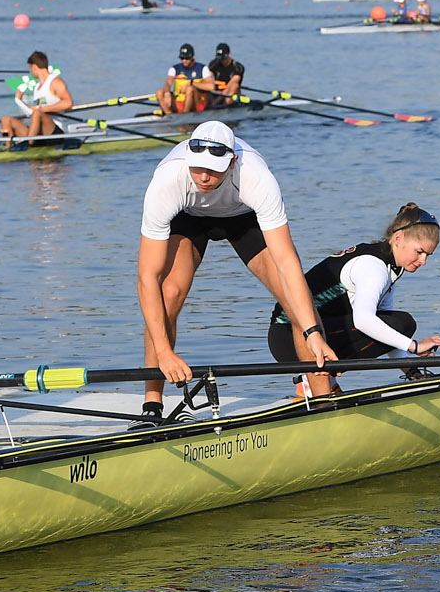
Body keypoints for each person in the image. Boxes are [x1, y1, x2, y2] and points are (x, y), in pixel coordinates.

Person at [136, 121, 336, 423]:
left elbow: (287, 263)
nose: (204, 177)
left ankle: (323, 400)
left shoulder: (256, 176)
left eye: (214, 169)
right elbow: (146, 277)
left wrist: (314, 333)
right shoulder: (167, 180)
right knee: (169, 294)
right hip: (188, 218)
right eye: (198, 168)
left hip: (242, 218)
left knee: (295, 299)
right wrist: (164, 352)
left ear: (233, 162)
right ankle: (152, 405)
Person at [268, 205, 440, 382]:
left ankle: (322, 383)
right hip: (289, 337)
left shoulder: (390, 268)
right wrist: (414, 347)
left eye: (428, 255)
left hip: (314, 332)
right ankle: (310, 382)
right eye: (419, 252)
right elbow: (364, 321)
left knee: (398, 324)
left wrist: (412, 371)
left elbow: (385, 331)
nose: (423, 261)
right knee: (404, 323)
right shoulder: (373, 267)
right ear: (399, 238)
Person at [1, 50, 71, 141]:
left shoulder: (55, 82)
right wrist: (19, 100)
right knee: (6, 119)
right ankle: (7, 147)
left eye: (30, 69)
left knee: (38, 113)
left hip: (53, 131)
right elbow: (32, 111)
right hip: (38, 131)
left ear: (33, 67)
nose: (31, 72)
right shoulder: (37, 87)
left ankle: (30, 143)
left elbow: (68, 103)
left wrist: (43, 109)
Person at [158, 43, 205, 115]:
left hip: (196, 103)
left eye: (187, 58)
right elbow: (168, 83)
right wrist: (167, 93)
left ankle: (185, 115)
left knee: (189, 89)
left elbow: (211, 87)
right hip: (179, 101)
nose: (184, 61)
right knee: (159, 92)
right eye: (182, 58)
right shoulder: (174, 69)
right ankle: (169, 115)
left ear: (193, 56)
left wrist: (191, 83)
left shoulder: (202, 68)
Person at [200, 42, 245, 109]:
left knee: (234, 86)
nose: (222, 61)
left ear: (229, 54)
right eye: (220, 59)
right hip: (217, 92)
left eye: (224, 58)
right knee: (206, 85)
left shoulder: (238, 67)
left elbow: (230, 85)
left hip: (230, 93)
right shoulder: (213, 64)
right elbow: (208, 79)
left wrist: (215, 102)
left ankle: (225, 105)